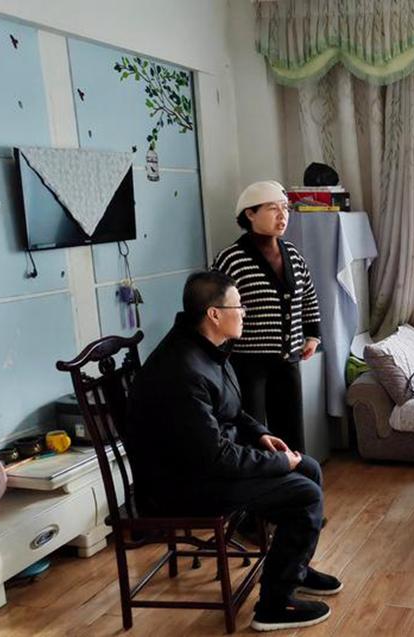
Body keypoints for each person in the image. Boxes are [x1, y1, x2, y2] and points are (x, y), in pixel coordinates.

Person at [126, 271, 340, 631]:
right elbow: (216, 458)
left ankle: (294, 569)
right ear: (214, 314)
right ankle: (275, 606)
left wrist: (261, 435)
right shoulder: (183, 371)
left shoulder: (206, 346)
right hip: (182, 487)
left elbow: (231, 411)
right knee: (304, 494)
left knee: (309, 468)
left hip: (206, 466)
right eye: (238, 306)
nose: (244, 312)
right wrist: (276, 462)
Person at [212, 181, 321, 453]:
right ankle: (261, 478)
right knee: (254, 432)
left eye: (285, 208)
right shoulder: (231, 259)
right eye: (273, 209)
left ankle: (294, 475)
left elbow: (308, 295)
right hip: (248, 363)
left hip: (288, 359)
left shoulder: (292, 254)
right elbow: (216, 307)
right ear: (250, 214)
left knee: (291, 431)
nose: (282, 215)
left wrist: (312, 335)